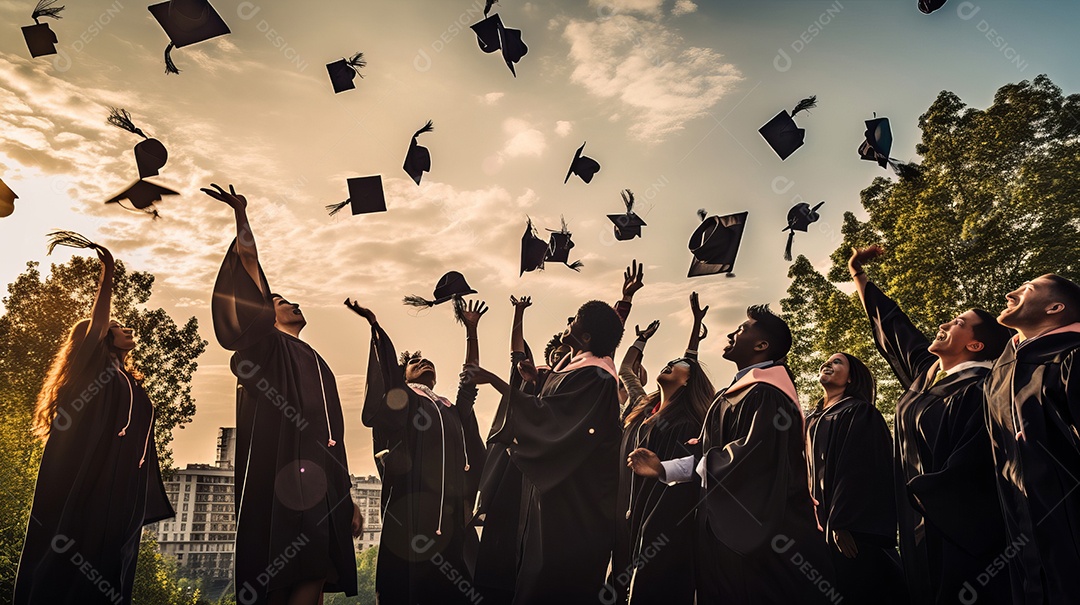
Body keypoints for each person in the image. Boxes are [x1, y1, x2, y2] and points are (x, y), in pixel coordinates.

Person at [205, 184, 360, 605]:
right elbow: (250, 265)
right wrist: (241, 215)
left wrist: (346, 499)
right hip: (283, 478)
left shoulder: (317, 360)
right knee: (283, 572)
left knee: (320, 567)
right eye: (279, 299)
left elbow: (335, 437)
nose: (291, 303)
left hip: (323, 485)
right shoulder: (267, 348)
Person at [628, 304, 837, 604]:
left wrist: (676, 467)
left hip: (762, 546)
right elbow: (710, 455)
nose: (731, 333)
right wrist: (663, 469)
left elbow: (744, 461)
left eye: (741, 330)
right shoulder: (739, 392)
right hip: (727, 541)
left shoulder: (767, 394)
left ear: (761, 345)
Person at [14, 237, 174, 605]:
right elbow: (98, 320)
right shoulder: (91, 371)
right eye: (117, 326)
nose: (125, 328)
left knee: (112, 565)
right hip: (89, 479)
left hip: (122, 486)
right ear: (100, 338)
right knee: (74, 557)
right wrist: (109, 272)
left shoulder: (129, 379)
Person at [849, 245, 1011, 604]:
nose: (944, 323)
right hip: (915, 523)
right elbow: (894, 328)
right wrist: (858, 275)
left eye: (959, 323)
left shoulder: (982, 390)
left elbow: (975, 468)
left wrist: (920, 494)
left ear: (977, 344)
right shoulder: (927, 377)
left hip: (960, 530)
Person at [464, 299, 625, 604]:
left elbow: (549, 420)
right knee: (532, 575)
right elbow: (552, 409)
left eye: (575, 319)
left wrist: (495, 381)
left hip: (575, 506)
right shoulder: (575, 370)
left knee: (551, 582)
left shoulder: (598, 376)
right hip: (552, 497)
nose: (569, 321)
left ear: (587, 337)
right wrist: (535, 380)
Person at [346, 298, 488, 605]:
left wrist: (471, 329)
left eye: (428, 363)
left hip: (448, 516)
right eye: (415, 362)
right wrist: (375, 327)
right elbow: (387, 377)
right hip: (409, 509)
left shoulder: (449, 409)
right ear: (403, 376)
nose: (424, 364)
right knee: (409, 585)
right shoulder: (404, 400)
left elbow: (470, 380)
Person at [607, 292, 714, 605]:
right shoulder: (642, 404)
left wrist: (696, 325)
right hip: (624, 507)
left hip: (658, 519)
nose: (670, 364)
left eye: (677, 366)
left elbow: (689, 362)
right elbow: (626, 368)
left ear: (687, 383)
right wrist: (640, 340)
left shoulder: (689, 423)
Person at [984, 273, 1080, 603]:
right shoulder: (999, 376)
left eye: (1028, 289)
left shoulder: (1071, 356)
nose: (1011, 293)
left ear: (1055, 307)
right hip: (1023, 543)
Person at [806, 352, 905, 604]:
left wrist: (843, 522)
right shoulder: (810, 419)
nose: (828, 363)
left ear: (851, 379)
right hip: (815, 528)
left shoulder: (860, 413)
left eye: (837, 362)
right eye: (827, 360)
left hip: (850, 530)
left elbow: (860, 470)